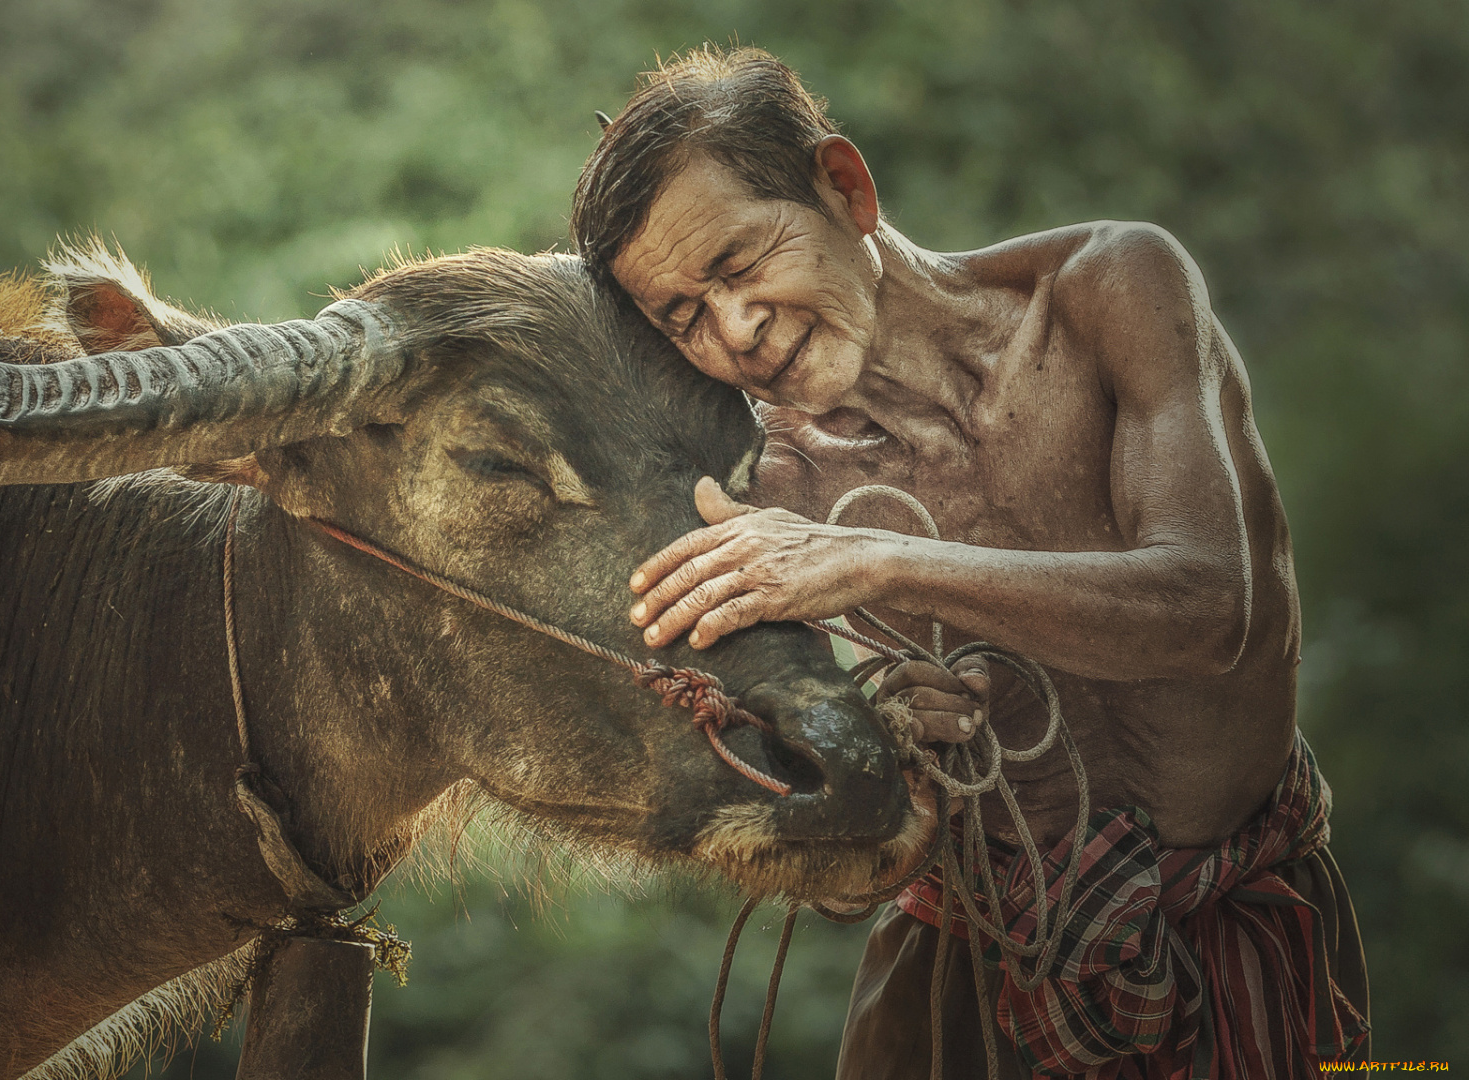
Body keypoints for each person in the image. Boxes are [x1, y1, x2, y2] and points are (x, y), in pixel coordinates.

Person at [571, 47, 1370, 1077]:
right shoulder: (765, 494)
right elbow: (830, 877)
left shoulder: (1106, 292)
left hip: (1250, 931)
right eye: (684, 315)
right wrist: (882, 750)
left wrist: (876, 562)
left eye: (739, 264)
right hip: (973, 979)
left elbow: (1212, 610)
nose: (735, 330)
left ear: (845, 187)